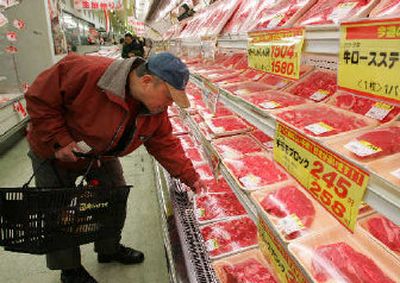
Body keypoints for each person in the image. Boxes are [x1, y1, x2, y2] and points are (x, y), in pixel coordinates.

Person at [25, 52, 203, 283]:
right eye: (169, 97)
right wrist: (59, 139)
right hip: (53, 151)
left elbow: (164, 144)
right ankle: (70, 269)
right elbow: (39, 98)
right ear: (147, 81)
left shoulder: (154, 111)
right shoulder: (84, 70)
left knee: (114, 195)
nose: (169, 104)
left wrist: (191, 177)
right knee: (57, 210)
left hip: (101, 155)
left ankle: (108, 249)